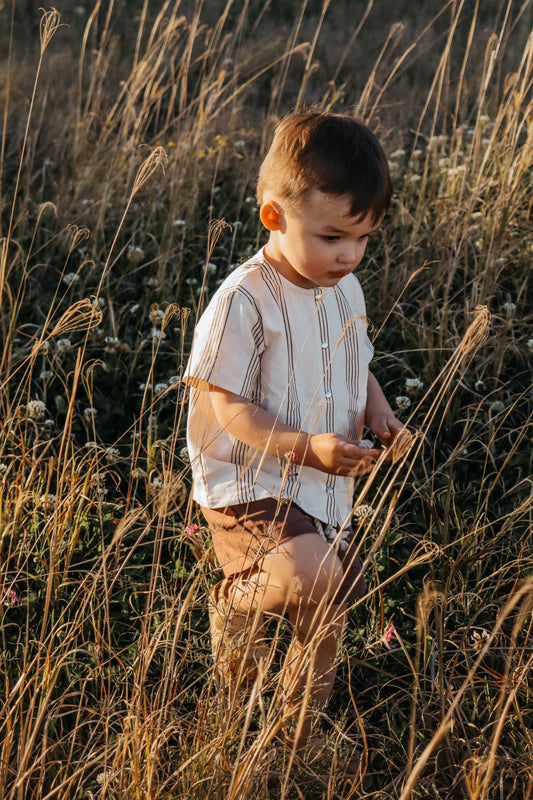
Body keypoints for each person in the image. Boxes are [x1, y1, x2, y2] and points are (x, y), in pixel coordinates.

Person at [183, 110, 408, 761]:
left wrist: (379, 412)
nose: (349, 254)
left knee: (330, 598)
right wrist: (304, 447)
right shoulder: (244, 299)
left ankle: (292, 743)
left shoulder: (345, 288)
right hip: (249, 480)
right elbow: (221, 403)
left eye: (363, 239)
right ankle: (237, 601)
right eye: (333, 236)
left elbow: (354, 360)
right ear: (274, 217)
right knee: (312, 573)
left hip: (320, 482)